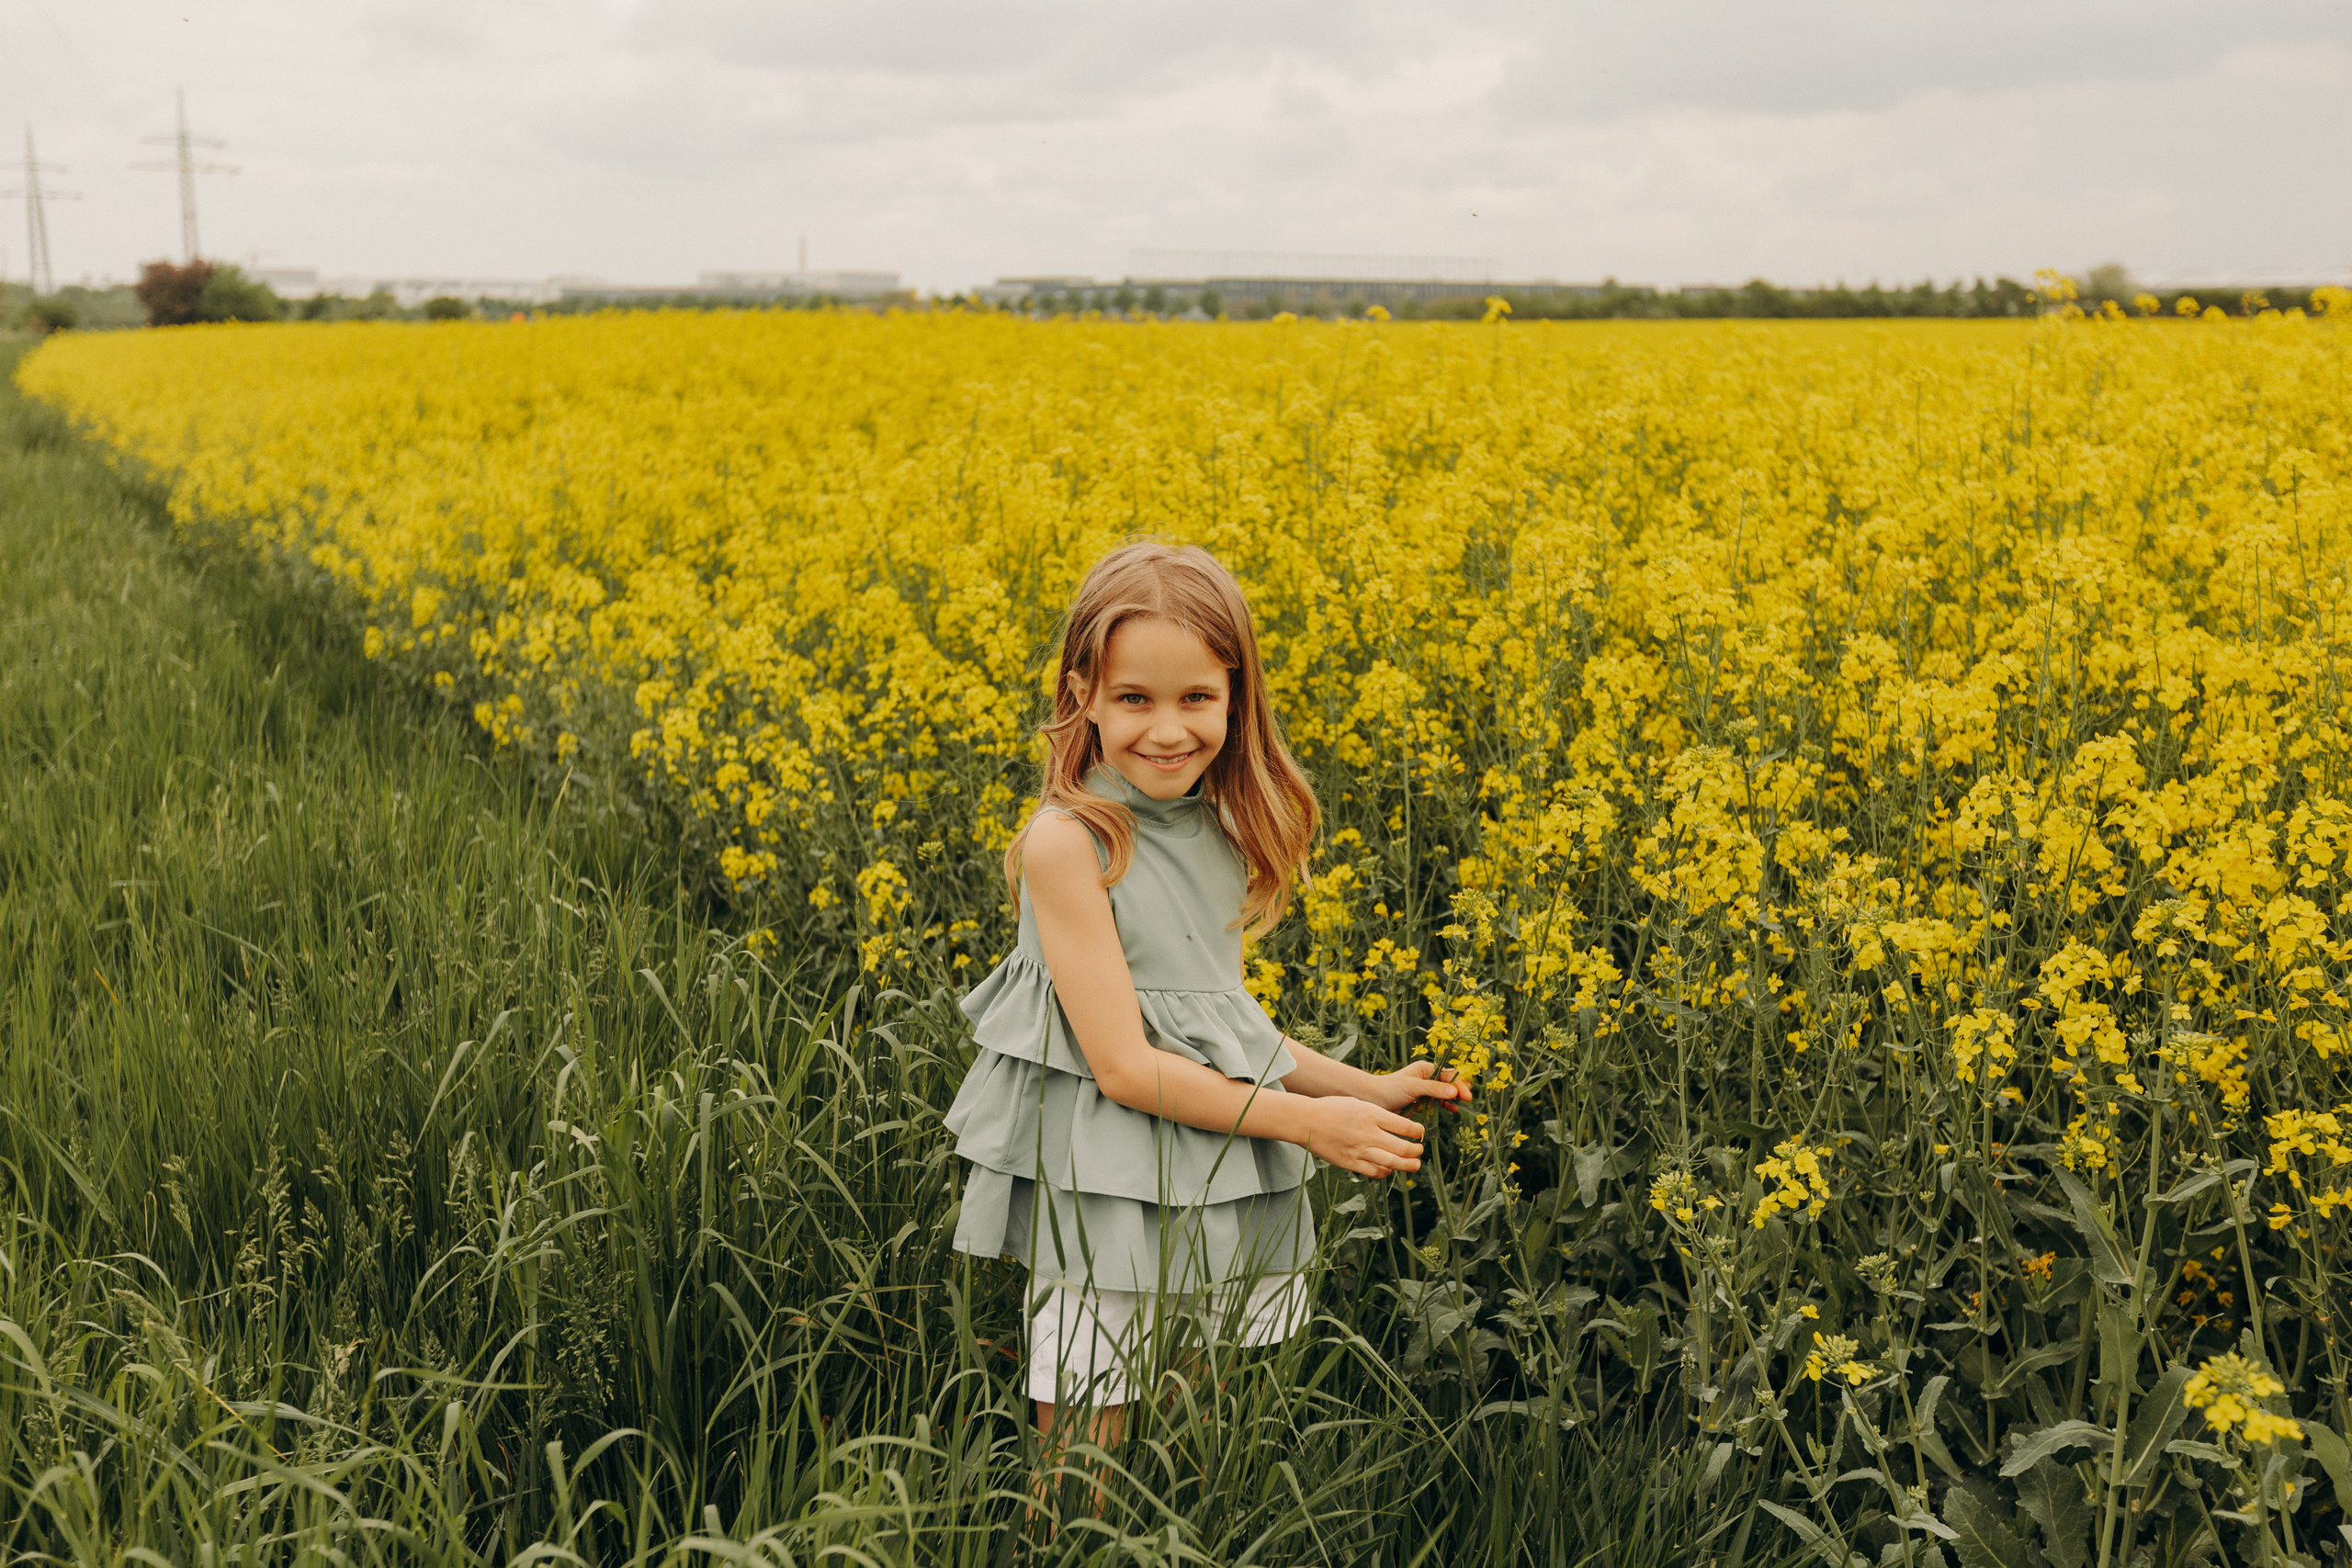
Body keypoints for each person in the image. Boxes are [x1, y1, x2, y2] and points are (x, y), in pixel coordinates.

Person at [943, 540, 1471, 1448]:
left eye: (1197, 698)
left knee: (1196, 1412)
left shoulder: (1222, 824)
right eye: (1133, 700)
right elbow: (1121, 1064)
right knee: (1089, 1408)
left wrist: (1358, 1086)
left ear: (1236, 695)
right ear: (1082, 698)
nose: (1168, 730)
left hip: (1213, 1148)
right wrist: (1309, 1124)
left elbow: (1215, 1027)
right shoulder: (1070, 844)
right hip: (1106, 1173)